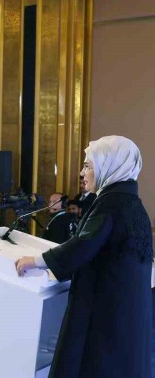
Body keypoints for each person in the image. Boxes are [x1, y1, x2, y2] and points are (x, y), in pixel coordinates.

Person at [15, 135, 152, 378]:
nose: (82, 173)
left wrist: (36, 261)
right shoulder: (132, 202)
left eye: (88, 166)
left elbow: (83, 245)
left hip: (106, 313)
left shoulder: (110, 202)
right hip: (125, 313)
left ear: (109, 165)